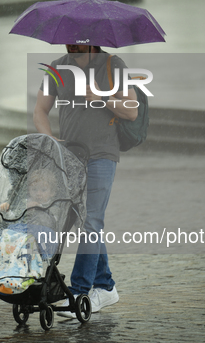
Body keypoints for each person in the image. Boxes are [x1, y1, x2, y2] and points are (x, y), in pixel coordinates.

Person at [33, 44, 138, 317]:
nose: (72, 46)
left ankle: (79, 292)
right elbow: (40, 111)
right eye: (68, 41)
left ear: (92, 41)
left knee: (91, 221)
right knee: (87, 219)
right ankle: (105, 286)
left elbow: (131, 111)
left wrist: (101, 97)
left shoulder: (113, 66)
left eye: (78, 41)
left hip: (103, 154)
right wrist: (49, 137)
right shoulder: (57, 67)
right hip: (70, 157)